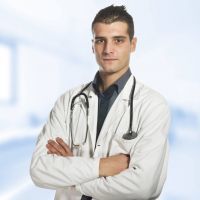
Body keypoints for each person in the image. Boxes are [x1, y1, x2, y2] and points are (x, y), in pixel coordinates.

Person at [30, 5, 170, 200]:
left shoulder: (153, 105)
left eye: (118, 40)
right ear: (92, 45)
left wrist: (72, 175)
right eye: (100, 41)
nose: (108, 49)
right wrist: (105, 166)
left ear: (133, 44)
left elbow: (143, 186)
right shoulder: (68, 101)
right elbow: (39, 170)